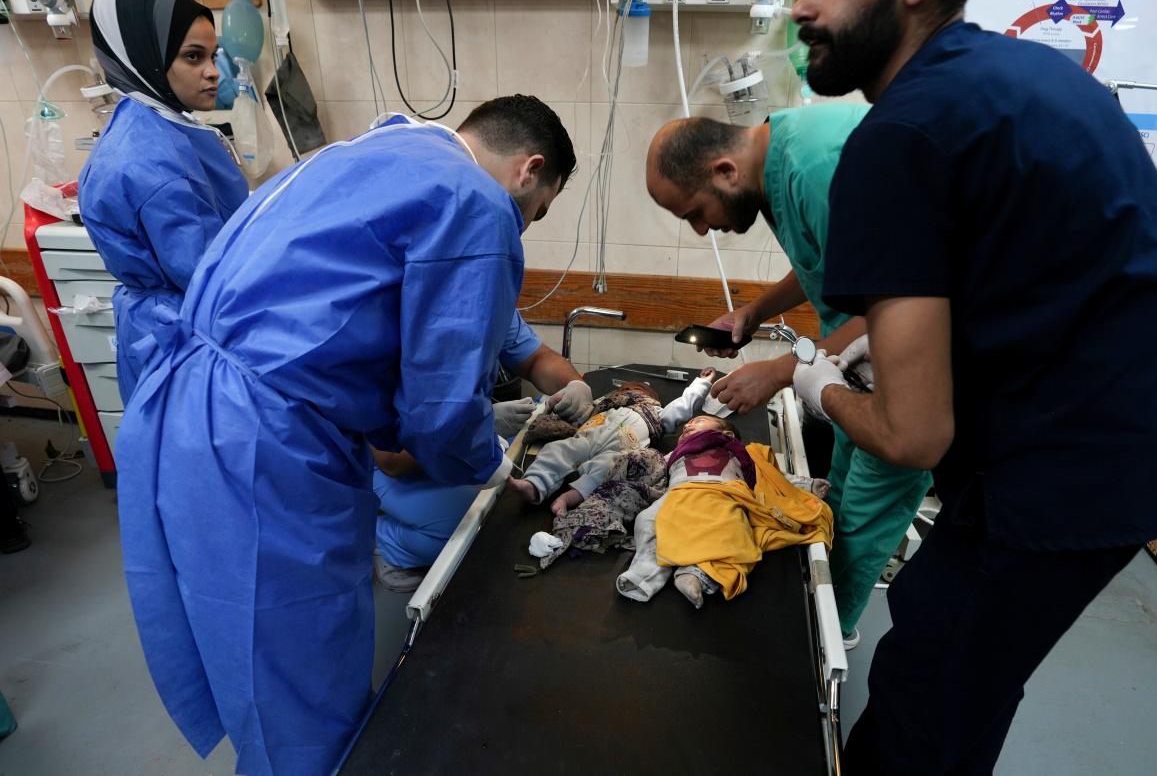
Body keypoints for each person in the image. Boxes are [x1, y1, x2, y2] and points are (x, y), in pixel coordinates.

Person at [788, 0, 1157, 772]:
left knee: (932, 690)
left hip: (1070, 464)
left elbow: (912, 436)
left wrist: (817, 389)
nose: (802, 6)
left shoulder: (901, 134)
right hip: (1135, 436)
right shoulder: (1018, 73)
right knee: (958, 668)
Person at [116, 95, 575, 776]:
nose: (521, 229)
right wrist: (500, 460)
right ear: (528, 171)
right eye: (534, 215)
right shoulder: (475, 202)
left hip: (188, 403)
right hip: (261, 437)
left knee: (251, 645)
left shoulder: (372, 150)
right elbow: (441, 411)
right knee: (296, 669)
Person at [646, 110, 931, 647]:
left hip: (904, 369)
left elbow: (899, 302)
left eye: (695, 214)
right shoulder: (775, 171)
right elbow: (825, 265)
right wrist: (755, 311)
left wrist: (782, 371)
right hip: (854, 367)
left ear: (724, 171)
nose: (702, 229)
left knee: (859, 524)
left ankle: (826, 650)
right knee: (841, 503)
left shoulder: (820, 170)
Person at [79, 0, 249, 403]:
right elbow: (206, 277)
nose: (213, 72)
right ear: (146, 57)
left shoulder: (149, 125)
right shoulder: (153, 164)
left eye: (213, 56)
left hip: (170, 326)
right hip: (188, 336)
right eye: (194, 57)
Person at [372, 311, 593, 592]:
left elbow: (538, 359)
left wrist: (575, 385)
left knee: (509, 492)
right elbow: (391, 460)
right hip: (391, 462)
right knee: (465, 528)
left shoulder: (487, 300)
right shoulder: (390, 321)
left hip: (458, 438)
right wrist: (475, 427)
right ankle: (385, 543)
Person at [617, 415, 831, 608]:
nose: (688, 425)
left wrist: (807, 484)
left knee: (732, 533)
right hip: (679, 493)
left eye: (698, 421)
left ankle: (697, 574)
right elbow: (652, 471)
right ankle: (646, 573)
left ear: (726, 434)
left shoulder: (741, 453)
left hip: (723, 493)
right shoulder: (675, 453)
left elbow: (773, 477)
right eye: (686, 427)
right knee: (646, 520)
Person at [505, 370, 715, 515]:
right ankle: (534, 484)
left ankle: (570, 497)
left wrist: (701, 383)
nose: (628, 392)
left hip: (621, 449)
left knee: (607, 470)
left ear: (650, 398)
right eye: (625, 390)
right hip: (589, 436)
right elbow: (574, 414)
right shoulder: (600, 407)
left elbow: (683, 405)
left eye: (637, 390)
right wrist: (554, 404)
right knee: (558, 450)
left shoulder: (656, 413)